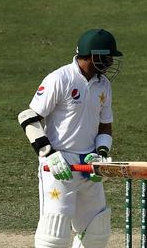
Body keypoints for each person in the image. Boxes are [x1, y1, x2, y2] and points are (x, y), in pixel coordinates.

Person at [17, 29, 123, 248]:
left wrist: (101, 154)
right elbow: (28, 117)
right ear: (92, 55)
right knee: (54, 234)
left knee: (97, 231)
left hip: (89, 165)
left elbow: (105, 125)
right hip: (59, 165)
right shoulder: (60, 78)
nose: (111, 61)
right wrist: (48, 154)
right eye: (108, 56)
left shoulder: (104, 85)